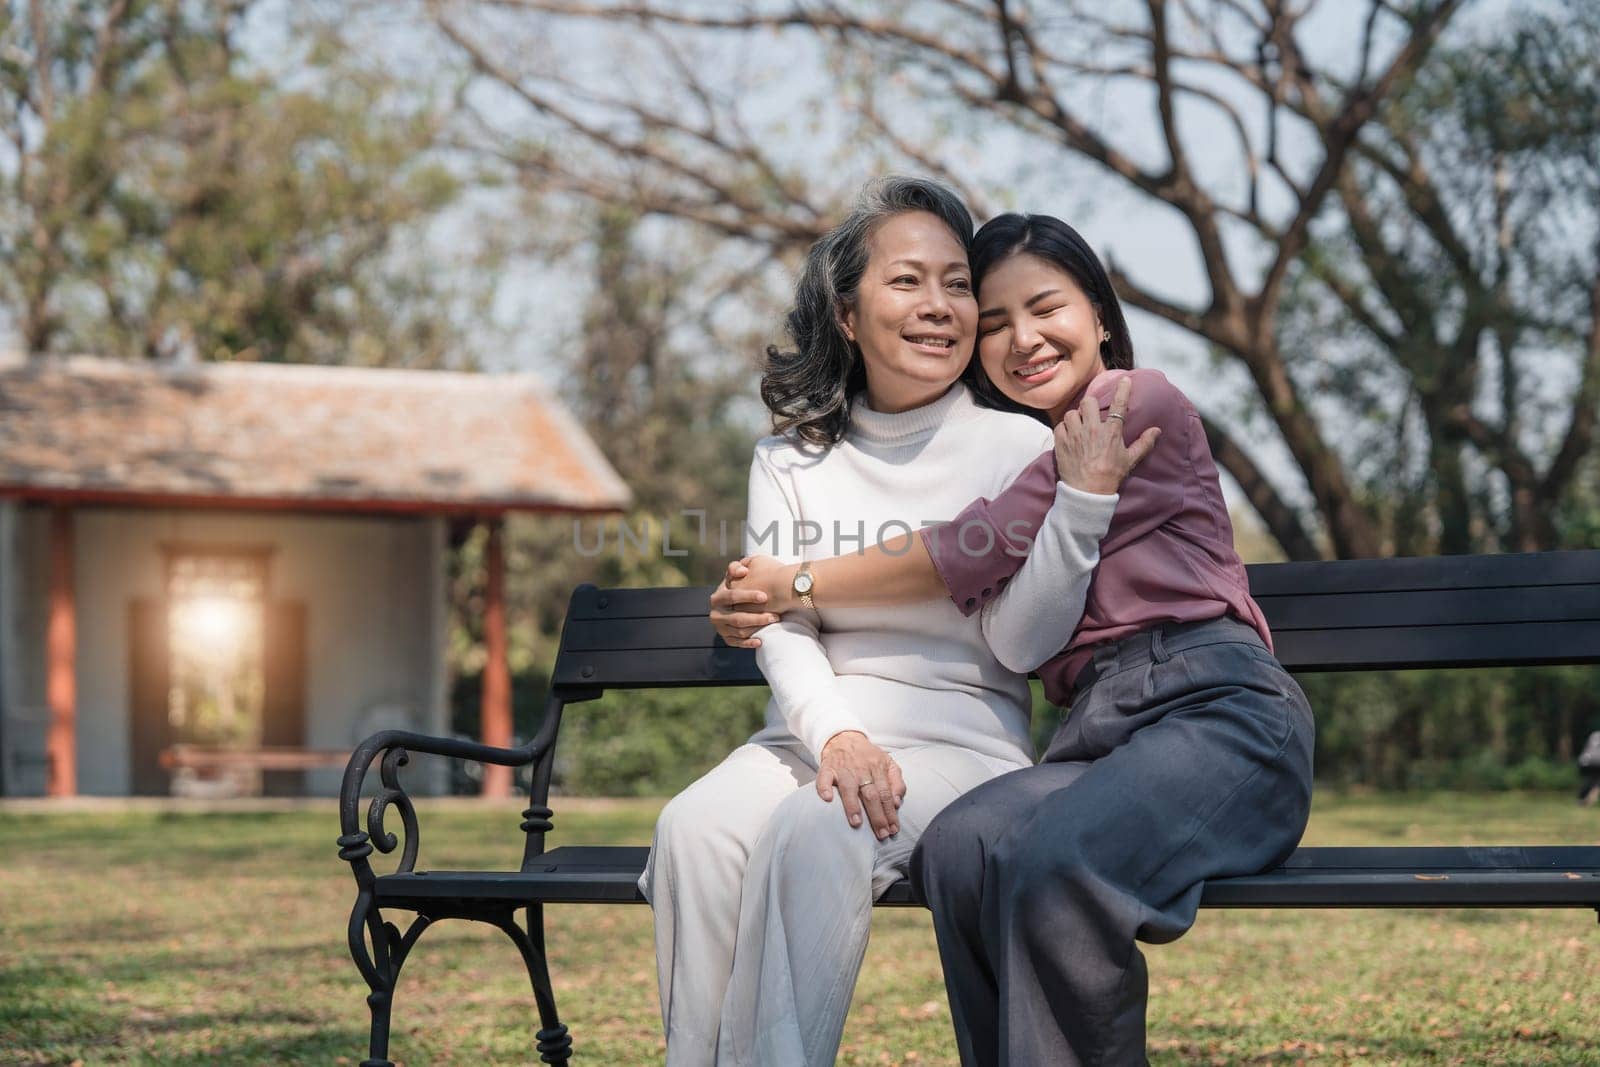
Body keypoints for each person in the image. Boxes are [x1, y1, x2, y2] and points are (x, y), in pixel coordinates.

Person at [711, 212, 1315, 1066]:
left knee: (1054, 865)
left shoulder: (1128, 404)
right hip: (1102, 735)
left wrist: (793, 580)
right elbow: (1014, 627)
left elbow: (973, 543)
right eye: (993, 324)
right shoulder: (1046, 451)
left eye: (1046, 308)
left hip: (1221, 714)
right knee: (963, 846)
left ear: (1099, 315)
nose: (1022, 339)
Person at [639, 180, 1153, 1067]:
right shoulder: (789, 458)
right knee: (692, 827)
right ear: (847, 313)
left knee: (818, 825)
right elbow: (780, 626)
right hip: (811, 738)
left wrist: (1076, 507)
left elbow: (1018, 642)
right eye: (908, 281)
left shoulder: (1019, 448)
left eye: (958, 285)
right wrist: (837, 733)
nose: (940, 307)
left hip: (961, 751)